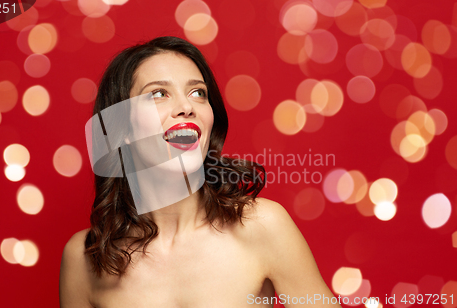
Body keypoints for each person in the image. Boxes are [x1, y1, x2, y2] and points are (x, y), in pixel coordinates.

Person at [59, 36, 342, 308]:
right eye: (159, 93)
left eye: (198, 93)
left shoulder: (262, 226)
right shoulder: (83, 257)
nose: (186, 107)